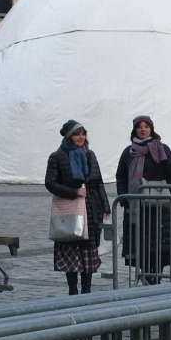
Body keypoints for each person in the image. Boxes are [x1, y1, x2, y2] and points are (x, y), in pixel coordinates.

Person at [45, 120, 110, 294]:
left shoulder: (90, 155)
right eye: (76, 134)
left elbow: (98, 183)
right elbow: (50, 183)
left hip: (90, 209)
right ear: (69, 136)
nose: (81, 137)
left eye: (83, 133)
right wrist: (74, 192)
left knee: (88, 253)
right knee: (71, 252)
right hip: (70, 211)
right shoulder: (57, 156)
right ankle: (73, 290)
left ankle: (87, 292)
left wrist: (105, 205)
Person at [115, 115, 171, 283]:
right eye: (139, 127)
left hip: (159, 206)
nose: (143, 129)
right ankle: (145, 275)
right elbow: (121, 176)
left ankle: (156, 276)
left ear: (152, 129)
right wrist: (124, 198)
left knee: (159, 243)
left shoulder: (162, 149)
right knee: (140, 242)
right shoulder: (129, 152)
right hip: (136, 206)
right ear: (134, 130)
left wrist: (168, 193)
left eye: (146, 126)